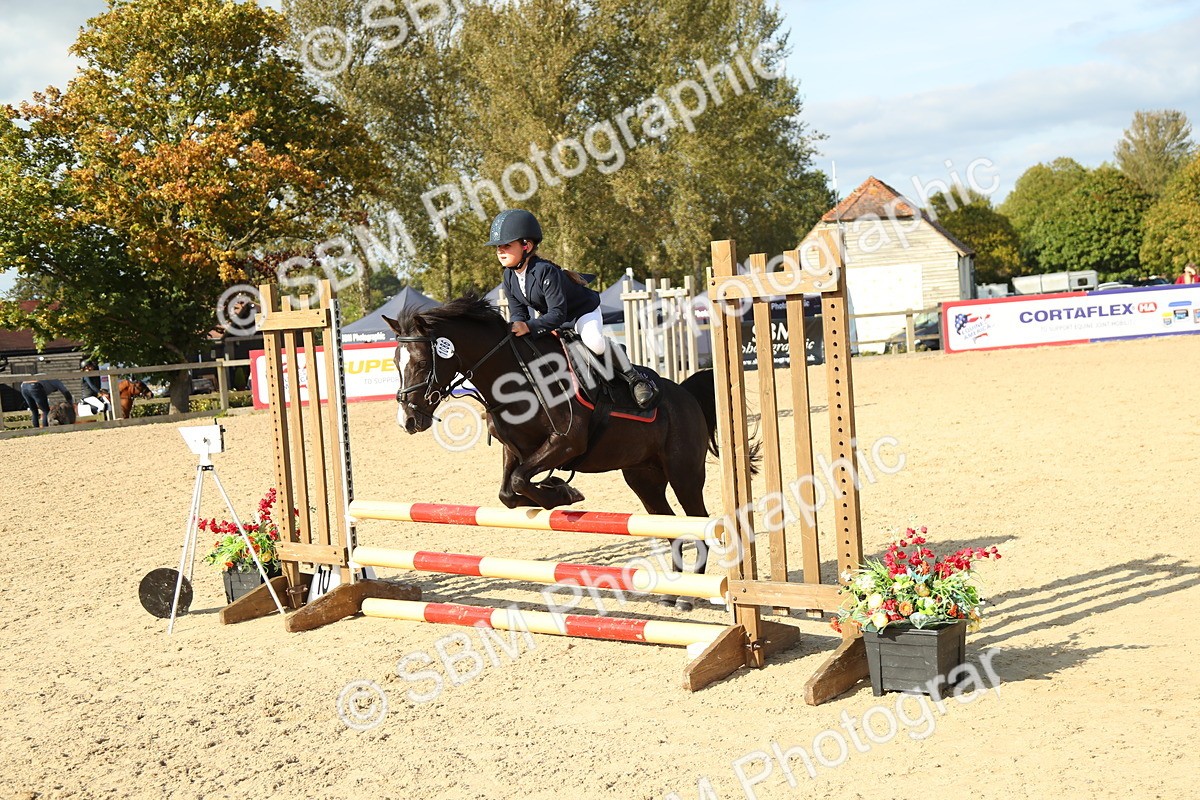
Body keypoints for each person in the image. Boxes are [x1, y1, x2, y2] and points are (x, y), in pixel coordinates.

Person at [489, 209, 657, 408]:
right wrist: (517, 325)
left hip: (581, 313)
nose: (500, 251)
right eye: (498, 246)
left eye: (507, 245)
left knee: (593, 342)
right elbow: (519, 313)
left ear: (527, 245)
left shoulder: (545, 271)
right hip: (553, 318)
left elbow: (557, 314)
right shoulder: (509, 277)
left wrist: (530, 327)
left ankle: (635, 378)